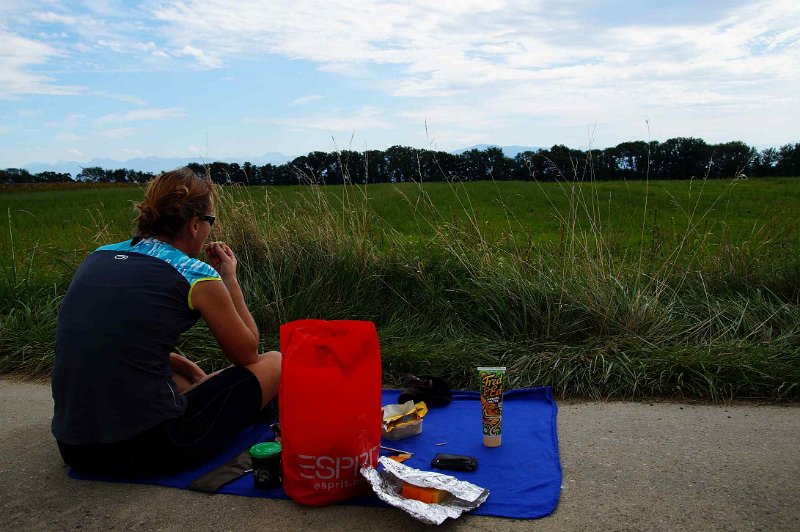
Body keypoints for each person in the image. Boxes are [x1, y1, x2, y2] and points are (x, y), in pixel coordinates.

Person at [51, 167, 281, 477]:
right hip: (150, 449)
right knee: (275, 363)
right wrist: (229, 277)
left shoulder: (99, 256)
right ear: (195, 224)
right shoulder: (194, 273)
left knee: (182, 378)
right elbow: (248, 353)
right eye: (210, 222)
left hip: (76, 449)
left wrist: (186, 367)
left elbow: (117, 343)